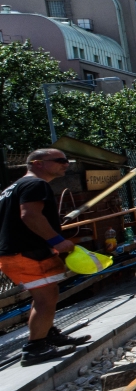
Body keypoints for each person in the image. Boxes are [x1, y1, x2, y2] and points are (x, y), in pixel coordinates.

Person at [0, 149, 92, 365]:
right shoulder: (35, 185)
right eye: (59, 161)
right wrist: (56, 241)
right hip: (27, 253)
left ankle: (48, 334)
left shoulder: (12, 188)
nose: (66, 164)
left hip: (18, 252)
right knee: (46, 298)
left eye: (67, 160)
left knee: (46, 295)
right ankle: (35, 348)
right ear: (38, 163)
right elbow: (30, 215)